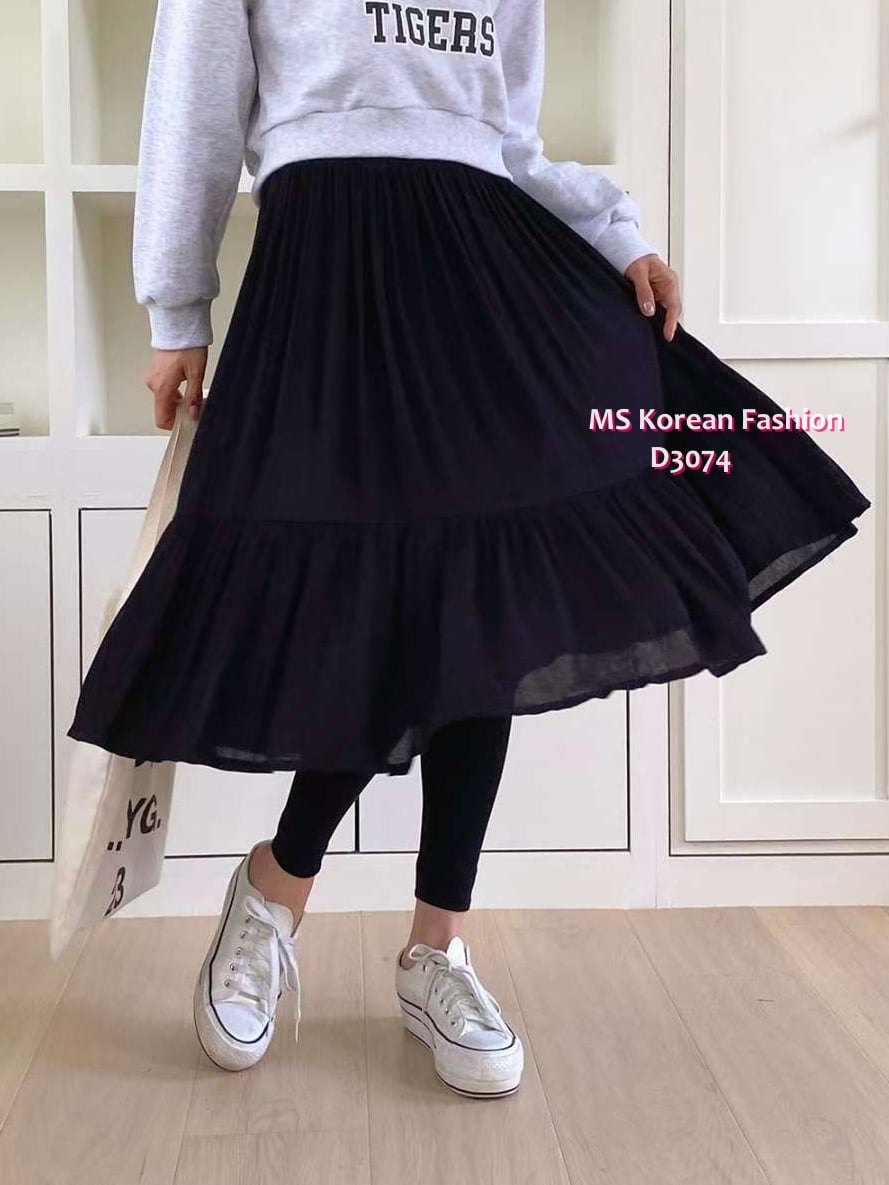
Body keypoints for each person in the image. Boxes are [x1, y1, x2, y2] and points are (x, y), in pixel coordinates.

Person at [66, 0, 871, 1099]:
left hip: (483, 276)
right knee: (368, 608)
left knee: (486, 605)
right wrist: (177, 311)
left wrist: (614, 234)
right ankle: (279, 882)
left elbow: (506, 139)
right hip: (327, 287)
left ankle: (434, 947)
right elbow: (192, 104)